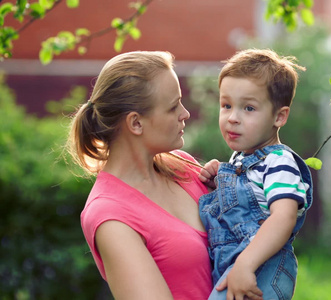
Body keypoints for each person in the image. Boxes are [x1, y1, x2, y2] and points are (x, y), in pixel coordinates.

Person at [66, 51, 213, 299]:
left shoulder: (183, 167)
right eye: (172, 107)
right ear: (135, 123)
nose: (185, 113)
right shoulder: (110, 216)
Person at [198, 49, 313, 300]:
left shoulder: (279, 162)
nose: (233, 118)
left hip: (263, 266)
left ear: (279, 116)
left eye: (248, 108)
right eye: (226, 105)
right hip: (237, 264)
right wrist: (218, 182)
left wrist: (245, 264)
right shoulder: (240, 160)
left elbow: (283, 217)